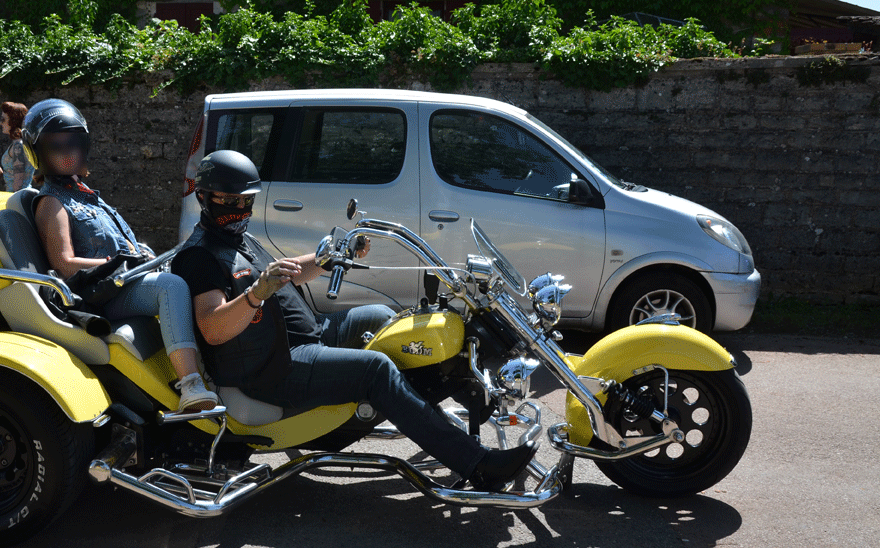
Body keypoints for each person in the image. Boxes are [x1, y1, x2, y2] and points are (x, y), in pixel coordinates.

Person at [170, 149, 538, 490]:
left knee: (388, 319)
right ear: (203, 197)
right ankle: (478, 465)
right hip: (274, 368)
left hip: (309, 336)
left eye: (246, 200)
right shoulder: (200, 257)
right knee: (374, 369)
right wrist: (255, 295)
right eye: (229, 201)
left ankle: (460, 406)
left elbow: (290, 273)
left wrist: (330, 257)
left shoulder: (235, 237)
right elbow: (213, 328)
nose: (239, 208)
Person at [26, 99, 219, 412]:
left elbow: (117, 245)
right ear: (38, 152)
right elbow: (64, 264)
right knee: (170, 287)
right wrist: (119, 262)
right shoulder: (52, 203)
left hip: (121, 282)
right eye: (54, 144)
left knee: (192, 273)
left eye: (73, 141)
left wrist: (135, 255)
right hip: (98, 295)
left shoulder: (84, 194)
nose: (66, 151)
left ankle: (213, 366)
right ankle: (191, 386)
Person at [0, 101, 32, 191]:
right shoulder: (22, 143)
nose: (0, 123)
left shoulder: (18, 146)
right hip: (21, 196)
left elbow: (18, 181)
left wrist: (13, 202)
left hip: (17, 197)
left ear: (13, 121)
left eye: (3, 120)